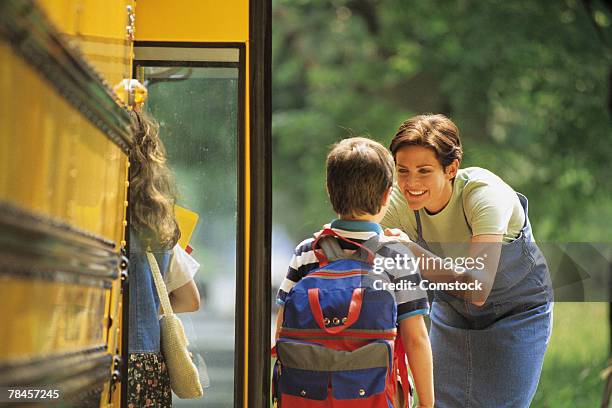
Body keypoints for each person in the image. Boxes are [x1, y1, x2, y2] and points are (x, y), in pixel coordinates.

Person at [381, 114, 553, 408]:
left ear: (451, 169)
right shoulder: (399, 202)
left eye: (424, 171)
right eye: (403, 170)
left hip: (517, 313)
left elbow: (477, 289)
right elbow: (358, 244)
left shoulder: (484, 195)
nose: (411, 183)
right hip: (452, 312)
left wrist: (410, 248)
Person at [274, 137, 435, 408]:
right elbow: (416, 338)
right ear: (387, 195)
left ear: (329, 190)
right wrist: (426, 404)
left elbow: (282, 329)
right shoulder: (395, 256)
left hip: (309, 397)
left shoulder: (307, 251)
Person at [127, 109, 200, 407]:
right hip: (145, 368)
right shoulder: (155, 225)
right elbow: (190, 300)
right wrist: (147, 310)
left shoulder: (90, 219)